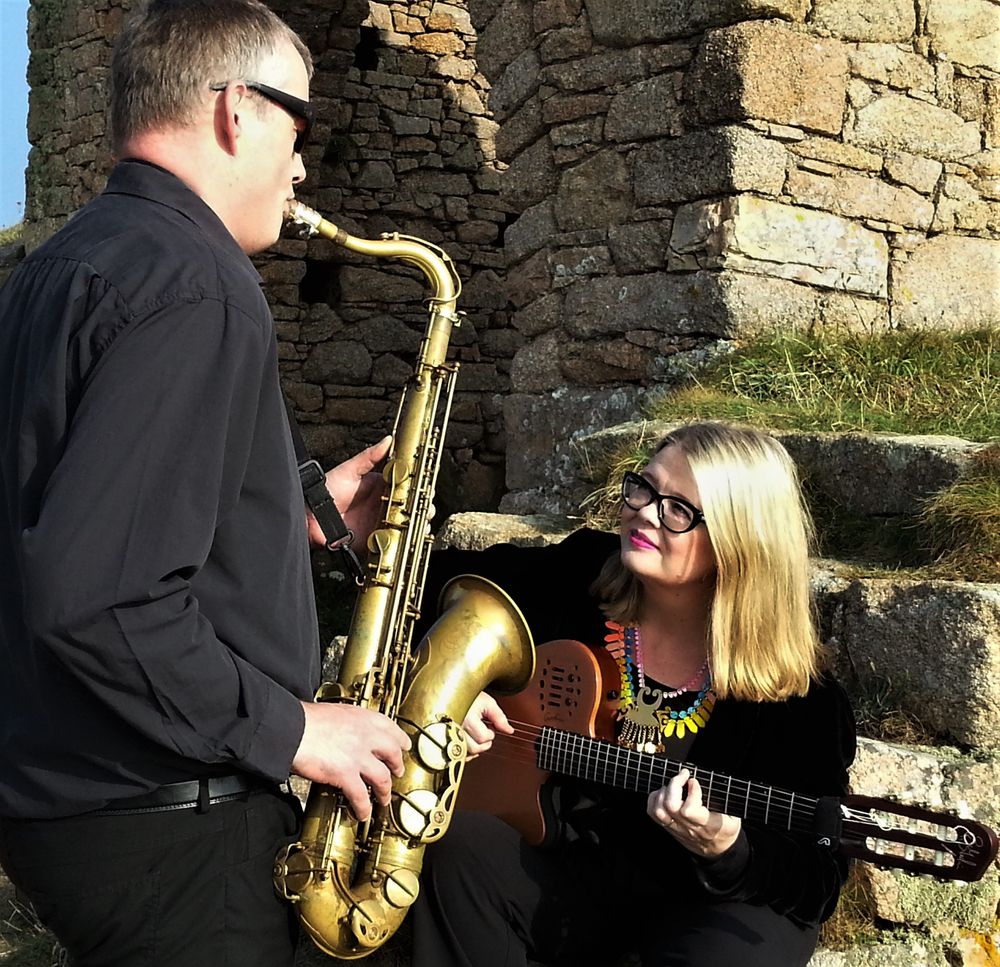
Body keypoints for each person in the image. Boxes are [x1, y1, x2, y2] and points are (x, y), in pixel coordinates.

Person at [0, 2, 411, 965]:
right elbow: (99, 595)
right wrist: (294, 728)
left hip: (60, 794)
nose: (305, 164)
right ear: (236, 110)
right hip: (162, 818)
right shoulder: (199, 284)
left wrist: (294, 523)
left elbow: (69, 506)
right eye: (299, 125)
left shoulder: (57, 265)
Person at [412, 421, 857, 967]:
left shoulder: (803, 703)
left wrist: (730, 851)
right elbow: (434, 589)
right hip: (563, 882)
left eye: (679, 509)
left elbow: (816, 877)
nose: (644, 511)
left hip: (699, 909)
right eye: (643, 487)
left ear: (741, 543)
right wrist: (455, 685)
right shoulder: (581, 574)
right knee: (457, 843)